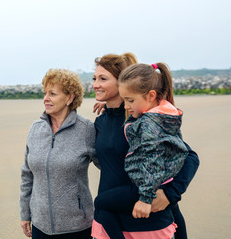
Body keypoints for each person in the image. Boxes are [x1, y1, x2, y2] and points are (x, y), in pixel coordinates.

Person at [91, 53, 199, 239]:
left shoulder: (143, 120)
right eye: (94, 78)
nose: (95, 84)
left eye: (103, 78)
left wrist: (170, 195)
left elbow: (189, 157)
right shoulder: (101, 122)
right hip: (110, 222)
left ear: (122, 81)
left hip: (148, 221)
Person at [20, 68, 98, 239]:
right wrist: (25, 213)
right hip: (40, 225)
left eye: (53, 94)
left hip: (77, 227)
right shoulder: (36, 129)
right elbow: (27, 174)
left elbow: (109, 168)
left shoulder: (86, 130)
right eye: (45, 93)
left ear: (69, 98)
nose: (45, 98)